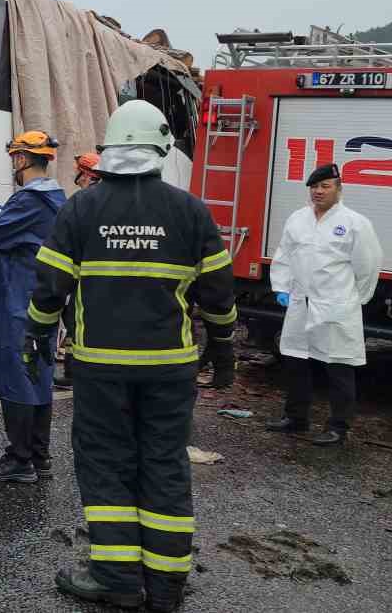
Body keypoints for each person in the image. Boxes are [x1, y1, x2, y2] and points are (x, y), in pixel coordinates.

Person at [28, 100, 238, 612]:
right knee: (164, 465)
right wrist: (225, 347)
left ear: (110, 149)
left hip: (101, 369)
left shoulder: (82, 208)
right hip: (169, 368)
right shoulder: (190, 210)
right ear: (162, 147)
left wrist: (36, 332)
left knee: (106, 466)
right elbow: (218, 292)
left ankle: (118, 579)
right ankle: (166, 586)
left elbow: (50, 286)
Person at [0, 132, 67, 484]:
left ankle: (21, 459)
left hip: (19, 297)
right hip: (42, 297)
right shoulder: (55, 198)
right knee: (38, 375)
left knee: (18, 376)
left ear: (21, 159)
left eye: (14, 159)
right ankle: (39, 456)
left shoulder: (31, 199)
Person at [265, 163, 383, 447]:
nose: (318, 191)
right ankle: (296, 418)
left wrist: (357, 298)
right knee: (295, 359)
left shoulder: (355, 223)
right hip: (299, 302)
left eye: (325, 186)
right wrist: (281, 287)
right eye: (314, 187)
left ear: (339, 190)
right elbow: (284, 254)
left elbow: (368, 265)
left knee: (338, 364)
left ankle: (338, 427)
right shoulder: (298, 219)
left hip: (335, 305)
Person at [54, 151, 105, 388]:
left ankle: (76, 373)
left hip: (82, 274)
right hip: (99, 276)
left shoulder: (84, 202)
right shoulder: (108, 200)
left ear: (86, 175)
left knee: (76, 321)